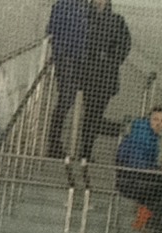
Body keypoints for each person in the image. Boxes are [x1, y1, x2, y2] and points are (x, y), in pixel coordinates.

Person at [116, 107, 162, 233]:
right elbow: (138, 166)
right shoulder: (142, 136)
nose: (158, 123)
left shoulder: (152, 138)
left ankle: (152, 232)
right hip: (131, 181)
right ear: (148, 119)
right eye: (155, 119)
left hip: (141, 180)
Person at [83, 0, 131, 151]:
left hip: (105, 77)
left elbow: (125, 44)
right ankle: (85, 152)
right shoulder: (85, 18)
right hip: (89, 77)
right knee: (90, 115)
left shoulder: (117, 21)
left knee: (94, 115)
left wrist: (112, 58)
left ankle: (86, 151)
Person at [46, 0, 91, 159]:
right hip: (67, 58)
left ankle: (55, 142)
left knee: (68, 100)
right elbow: (51, 31)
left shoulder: (84, 7)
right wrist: (62, 53)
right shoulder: (65, 5)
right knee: (66, 99)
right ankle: (53, 142)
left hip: (77, 59)